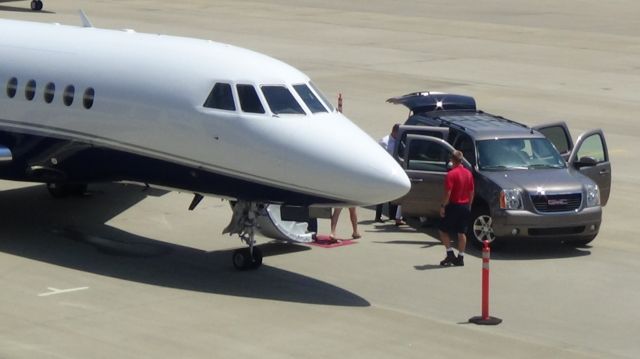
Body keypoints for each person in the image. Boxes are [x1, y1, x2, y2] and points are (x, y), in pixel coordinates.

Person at [438, 150, 474, 267]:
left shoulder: (451, 174)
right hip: (465, 206)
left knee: (443, 230)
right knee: (461, 232)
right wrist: (469, 205)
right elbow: (471, 191)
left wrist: (443, 206)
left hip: (454, 205)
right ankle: (461, 257)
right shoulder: (468, 174)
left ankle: (450, 254)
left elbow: (448, 193)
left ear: (452, 160)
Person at [375, 124, 406, 225]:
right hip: (384, 171)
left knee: (392, 193)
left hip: (395, 171)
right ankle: (378, 216)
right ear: (394, 132)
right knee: (382, 194)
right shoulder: (384, 142)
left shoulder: (400, 142)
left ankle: (392, 215)